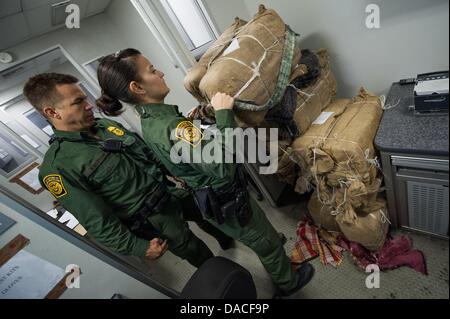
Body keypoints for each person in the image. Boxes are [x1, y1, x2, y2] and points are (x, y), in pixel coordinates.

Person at [95, 48, 314, 296]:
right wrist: (223, 113)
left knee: (259, 231)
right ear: (137, 88)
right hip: (225, 197)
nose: (161, 72)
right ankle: (287, 283)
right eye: (152, 70)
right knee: (267, 245)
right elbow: (222, 166)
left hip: (212, 197)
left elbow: (179, 154)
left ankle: (269, 242)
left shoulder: (151, 121)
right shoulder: (171, 126)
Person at [23, 72, 232, 268]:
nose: (89, 106)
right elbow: (98, 221)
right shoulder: (58, 168)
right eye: (78, 102)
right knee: (195, 250)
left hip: (171, 191)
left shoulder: (105, 126)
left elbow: (147, 154)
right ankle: (225, 275)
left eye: (85, 99)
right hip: (154, 216)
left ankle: (225, 239)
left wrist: (176, 171)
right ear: (52, 112)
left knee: (207, 216)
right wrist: (138, 247)